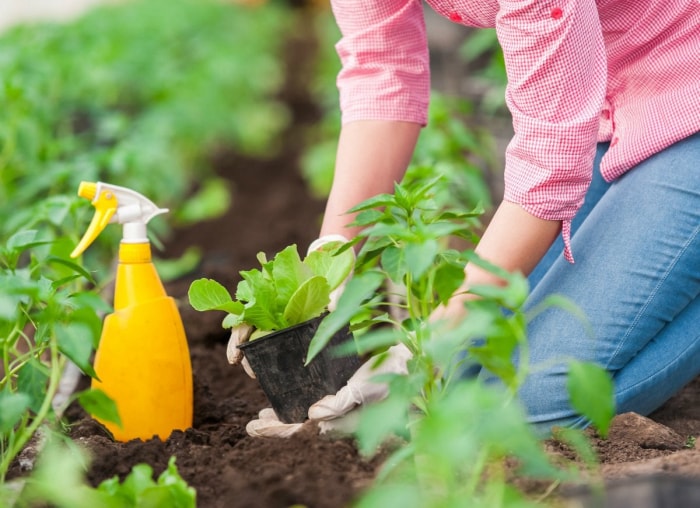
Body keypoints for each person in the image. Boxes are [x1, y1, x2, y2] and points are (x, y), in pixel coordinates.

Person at [236, 0, 700, 437]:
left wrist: (423, 357)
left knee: (534, 406)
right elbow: (381, 70)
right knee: (468, 375)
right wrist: (324, 269)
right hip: (612, 105)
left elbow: (551, 160)